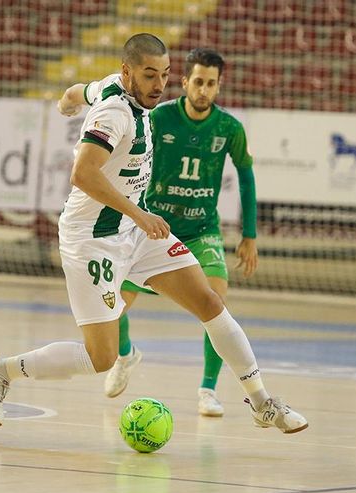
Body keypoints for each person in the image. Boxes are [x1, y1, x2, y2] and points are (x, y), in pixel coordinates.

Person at [0, 34, 308, 434]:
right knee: (101, 357)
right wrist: (139, 212)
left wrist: (66, 101)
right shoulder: (113, 113)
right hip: (92, 238)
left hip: (134, 228)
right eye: (150, 75)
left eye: (164, 75)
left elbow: (80, 90)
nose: (158, 85)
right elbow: (82, 174)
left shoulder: (112, 84)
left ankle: (262, 402)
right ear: (129, 72)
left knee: (210, 302)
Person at [104, 48, 258, 418]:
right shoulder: (159, 118)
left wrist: (249, 234)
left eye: (211, 84)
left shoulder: (229, 128)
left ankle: (207, 389)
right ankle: (125, 355)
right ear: (185, 81)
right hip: (155, 225)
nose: (204, 90)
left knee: (215, 301)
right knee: (111, 303)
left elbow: (246, 175)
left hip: (202, 229)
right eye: (198, 81)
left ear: (219, 87)